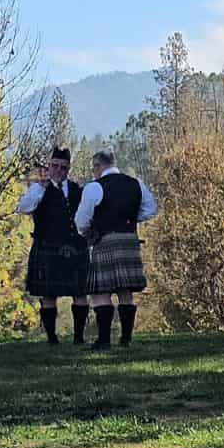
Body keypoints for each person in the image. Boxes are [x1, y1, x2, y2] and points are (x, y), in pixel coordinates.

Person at [75, 148, 157, 349]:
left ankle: (104, 341)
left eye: (94, 169)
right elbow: (150, 209)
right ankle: (126, 339)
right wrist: (126, 220)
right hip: (129, 238)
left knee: (101, 290)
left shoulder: (95, 187)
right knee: (125, 290)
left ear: (98, 166)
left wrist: (87, 232)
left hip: (106, 240)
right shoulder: (136, 184)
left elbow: (81, 220)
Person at [17, 147, 90, 344]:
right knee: (48, 294)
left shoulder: (77, 189)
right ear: (48, 166)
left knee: (81, 292)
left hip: (75, 247)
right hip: (47, 245)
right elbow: (23, 208)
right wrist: (41, 187)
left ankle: (79, 337)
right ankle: (51, 338)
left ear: (68, 169)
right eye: (54, 166)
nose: (58, 170)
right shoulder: (38, 188)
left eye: (63, 167)